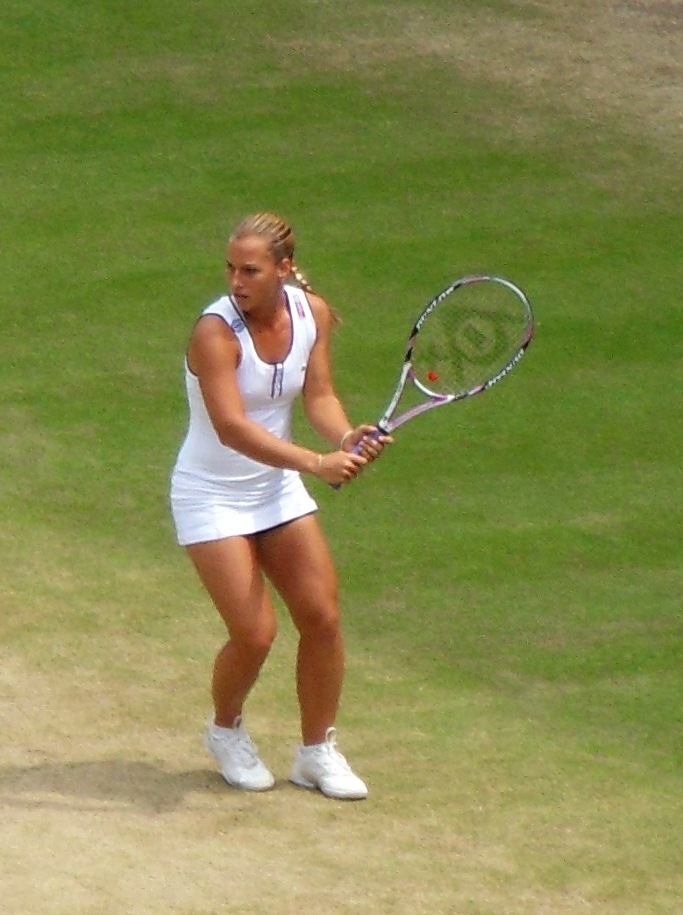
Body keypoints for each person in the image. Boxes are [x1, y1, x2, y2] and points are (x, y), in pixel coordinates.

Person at [170, 212, 390, 800]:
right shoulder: (214, 333)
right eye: (230, 269)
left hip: (275, 489)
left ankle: (316, 753)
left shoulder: (311, 313)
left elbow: (319, 395)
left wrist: (345, 436)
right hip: (210, 495)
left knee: (322, 617)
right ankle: (225, 731)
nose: (235, 281)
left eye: (250, 270)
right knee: (255, 634)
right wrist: (317, 462)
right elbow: (232, 428)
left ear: (284, 269)